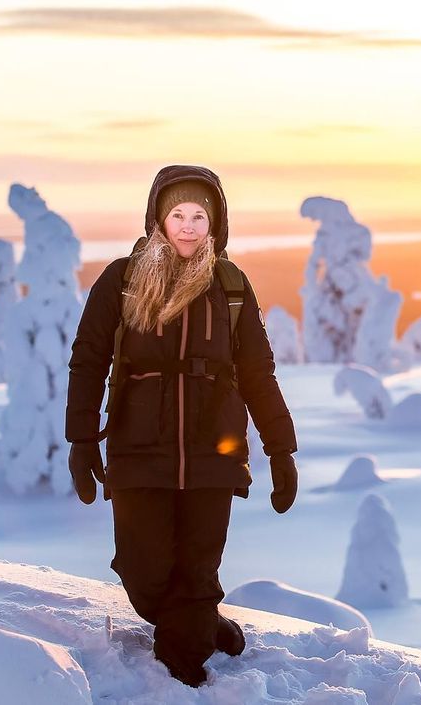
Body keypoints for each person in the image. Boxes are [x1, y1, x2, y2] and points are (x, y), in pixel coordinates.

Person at [64, 164, 299, 687]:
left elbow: (258, 373)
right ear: (158, 219)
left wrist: (281, 449)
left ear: (215, 223)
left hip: (214, 453)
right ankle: (203, 622)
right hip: (138, 449)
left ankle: (183, 671)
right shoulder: (122, 280)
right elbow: (89, 359)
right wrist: (81, 439)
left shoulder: (230, 286)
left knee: (196, 572)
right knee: (143, 575)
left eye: (199, 216)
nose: (188, 227)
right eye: (178, 215)